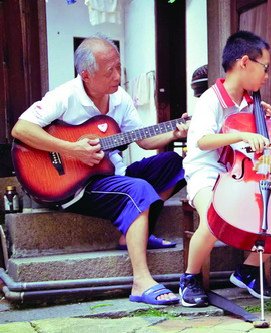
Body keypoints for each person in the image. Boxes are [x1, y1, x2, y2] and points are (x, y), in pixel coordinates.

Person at [11, 34, 187, 305]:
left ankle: (132, 232)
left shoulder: (120, 98)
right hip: (73, 186)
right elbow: (21, 130)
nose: (118, 76)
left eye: (119, 67)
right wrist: (71, 149)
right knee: (138, 189)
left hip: (111, 174)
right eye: (110, 71)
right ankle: (141, 281)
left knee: (176, 164)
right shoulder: (65, 95)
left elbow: (144, 140)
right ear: (86, 74)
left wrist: (174, 131)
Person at [180, 30, 271, 307]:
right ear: (245, 62)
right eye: (265, 67)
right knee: (214, 216)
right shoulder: (211, 99)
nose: (267, 75)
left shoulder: (250, 102)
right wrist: (242, 135)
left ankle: (248, 270)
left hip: (240, 171)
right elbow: (202, 140)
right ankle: (190, 278)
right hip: (206, 170)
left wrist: (259, 123)